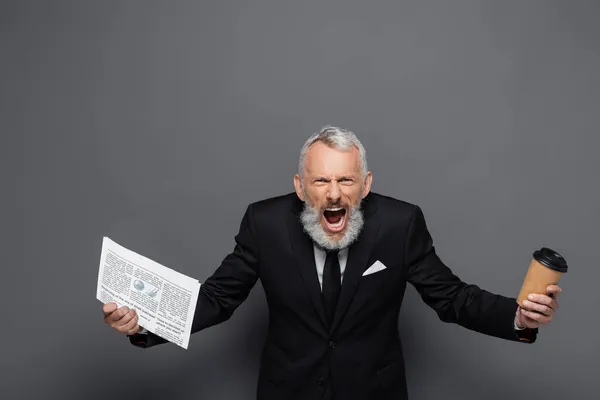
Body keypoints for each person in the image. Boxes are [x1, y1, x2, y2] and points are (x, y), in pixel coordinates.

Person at [102, 126, 563, 400]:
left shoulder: (401, 223)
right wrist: (144, 322)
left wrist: (516, 316)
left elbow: (451, 297)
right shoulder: (264, 223)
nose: (334, 193)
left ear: (365, 185)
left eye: (346, 179)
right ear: (301, 186)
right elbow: (219, 298)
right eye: (321, 179)